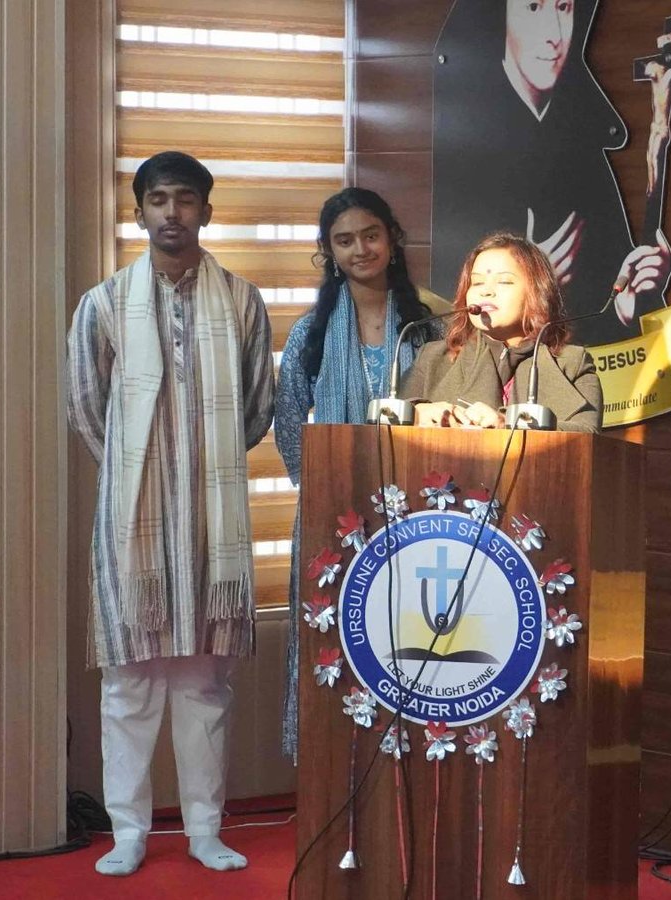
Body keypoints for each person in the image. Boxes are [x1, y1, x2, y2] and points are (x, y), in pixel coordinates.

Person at [66, 151, 275, 876]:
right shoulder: (102, 304)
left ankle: (204, 829)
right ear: (139, 212)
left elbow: (256, 408)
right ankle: (128, 832)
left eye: (186, 199)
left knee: (204, 685)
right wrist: (144, 470)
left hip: (214, 524)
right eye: (158, 200)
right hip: (133, 526)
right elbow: (87, 409)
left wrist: (198, 468)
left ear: (206, 212)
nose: (172, 213)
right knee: (129, 685)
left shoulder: (242, 301)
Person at [273, 187, 444, 760]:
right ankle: (329, 763)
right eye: (344, 241)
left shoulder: (429, 327)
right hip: (335, 513)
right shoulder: (312, 331)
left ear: (392, 239)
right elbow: (288, 418)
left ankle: (410, 759)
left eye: (370, 235)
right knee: (335, 642)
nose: (360, 249)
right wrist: (322, 490)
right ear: (329, 252)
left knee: (410, 639)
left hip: (418, 513)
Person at [432, 0, 671, 347]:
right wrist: (527, 283)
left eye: (563, 8)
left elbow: (596, 319)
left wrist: (623, 305)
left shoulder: (583, 142)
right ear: (500, 17)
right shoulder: (467, 139)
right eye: (533, 7)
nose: (554, 35)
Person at [398, 231, 602, 432]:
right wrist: (417, 413)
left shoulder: (572, 362)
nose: (485, 291)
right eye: (477, 282)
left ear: (537, 292)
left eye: (504, 281)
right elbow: (387, 420)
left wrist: (507, 424)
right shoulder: (433, 358)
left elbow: (587, 434)